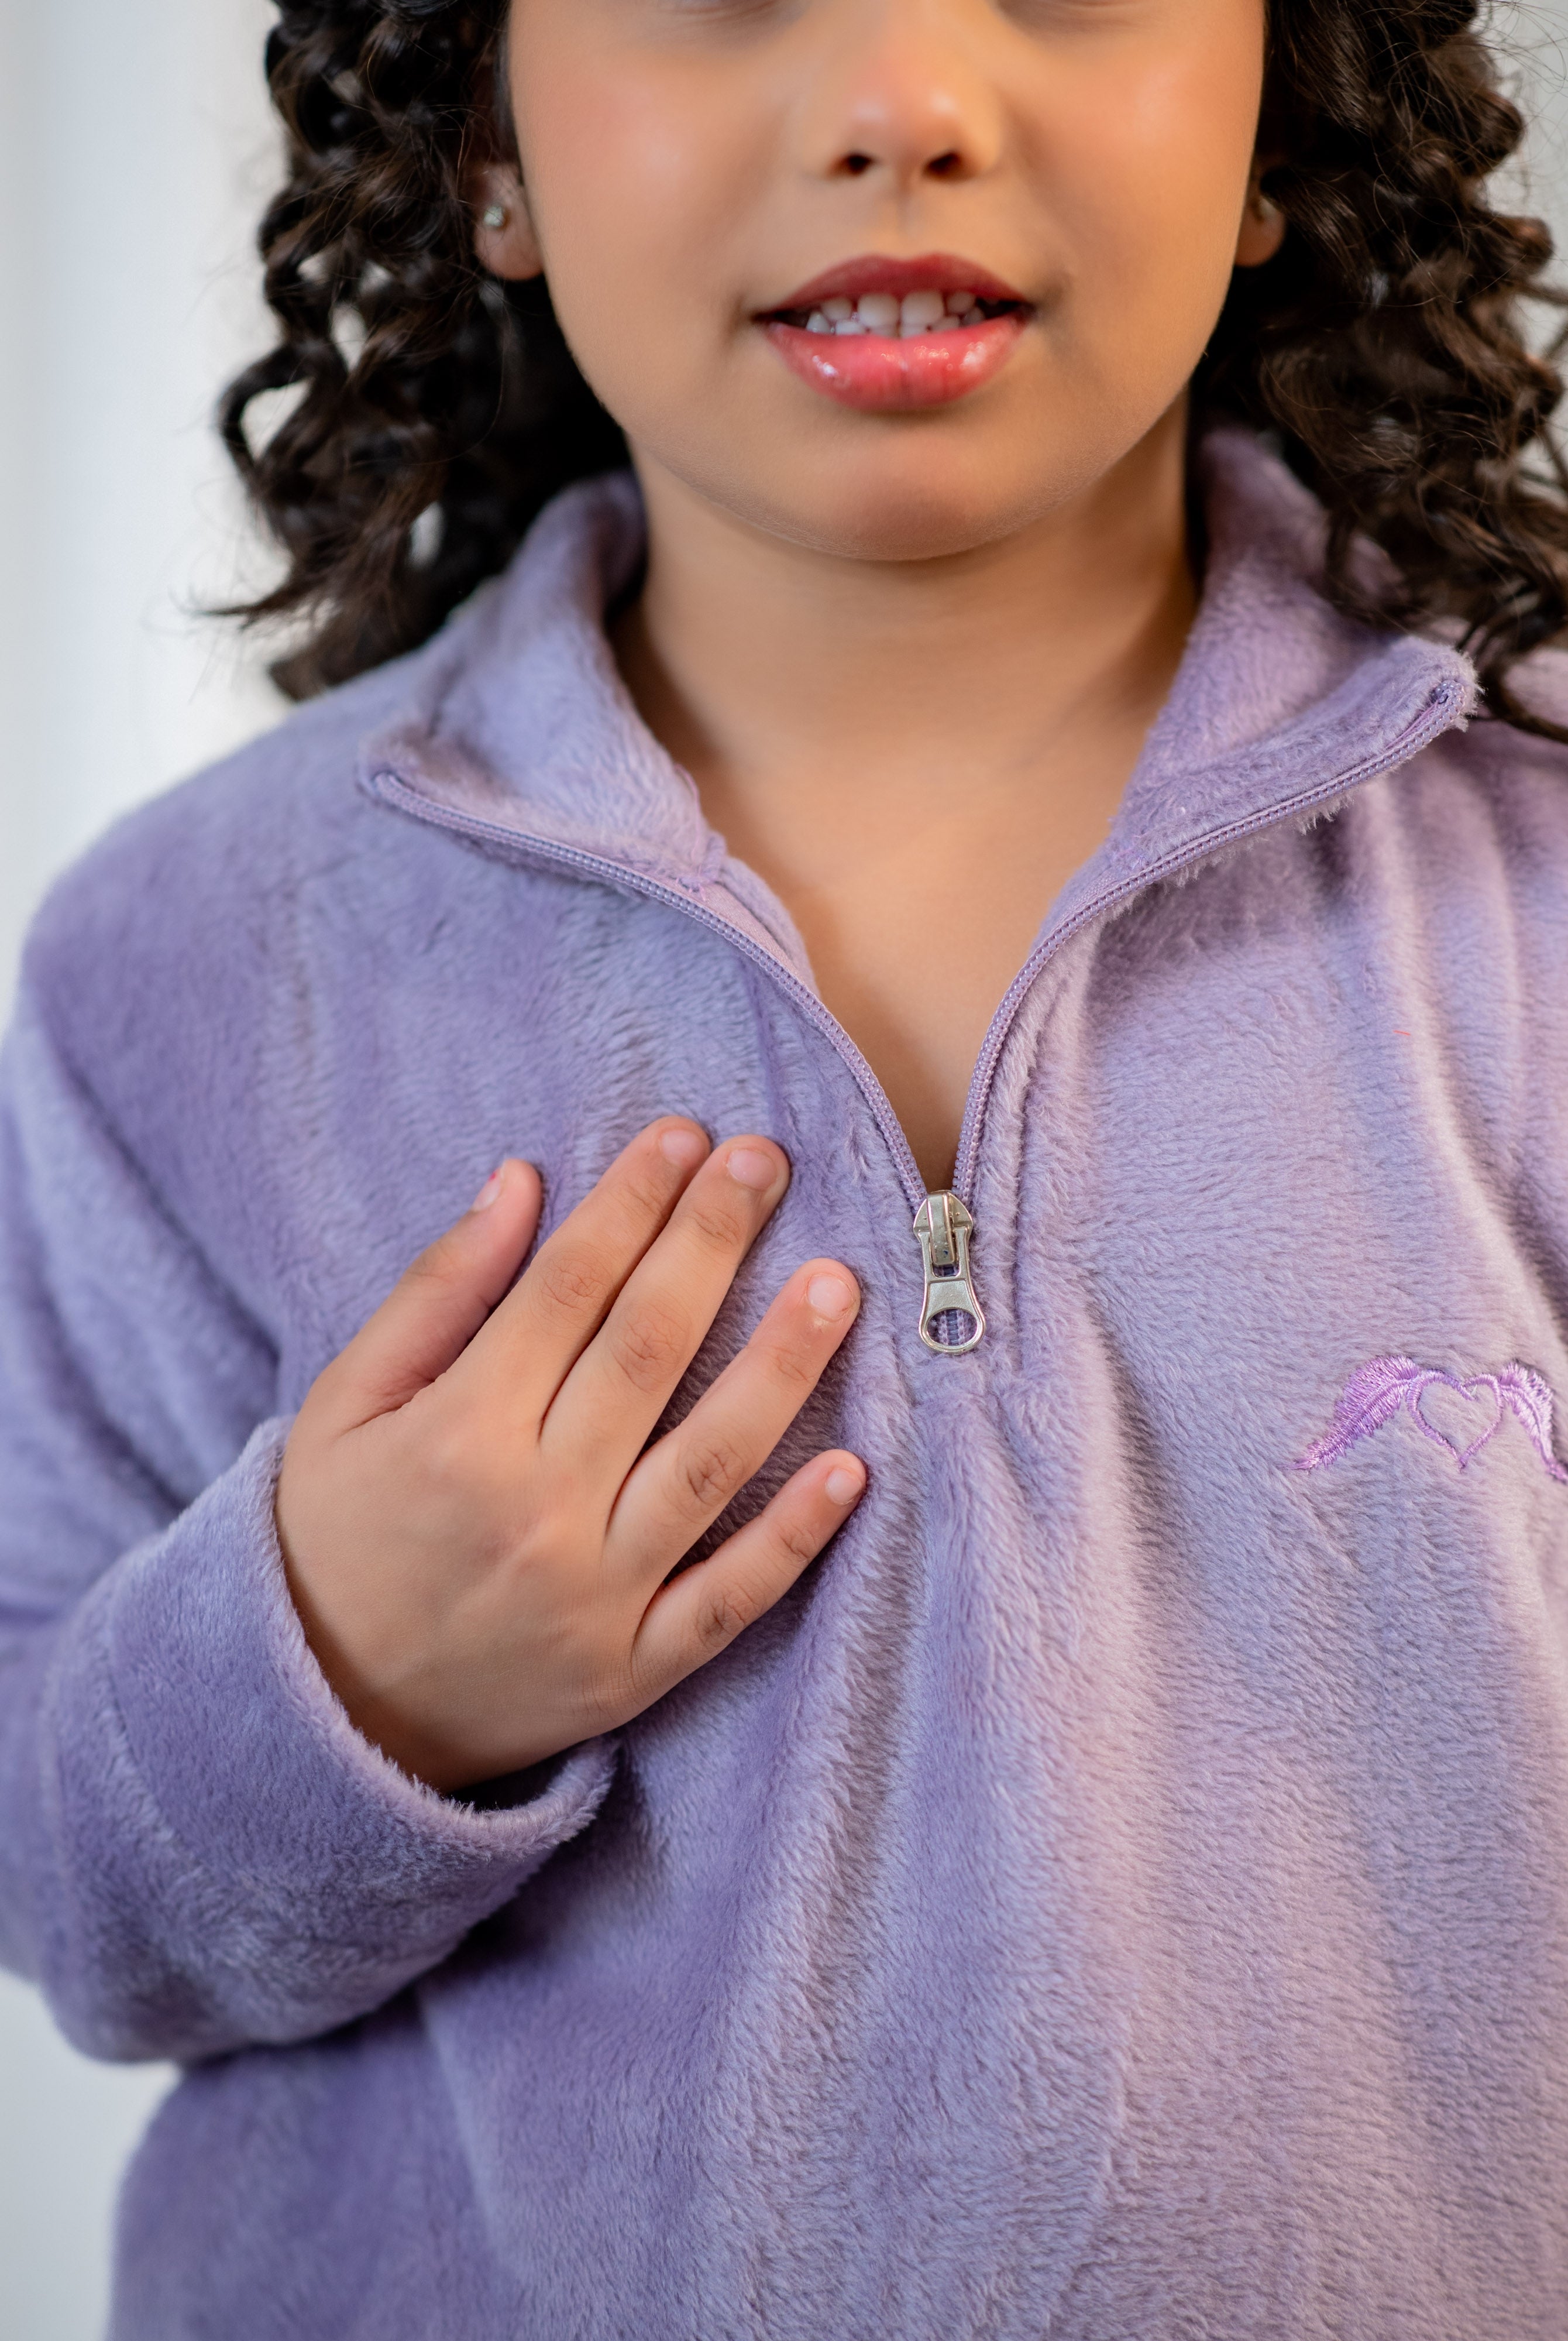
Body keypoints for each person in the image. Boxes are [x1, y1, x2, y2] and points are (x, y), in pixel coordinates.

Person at [4, 0, 1567, 2331]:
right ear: (482, 151)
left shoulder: (1534, 874)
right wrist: (335, 1671)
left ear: (1288, 113)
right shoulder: (190, 964)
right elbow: (71, 1890)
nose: (902, 106)